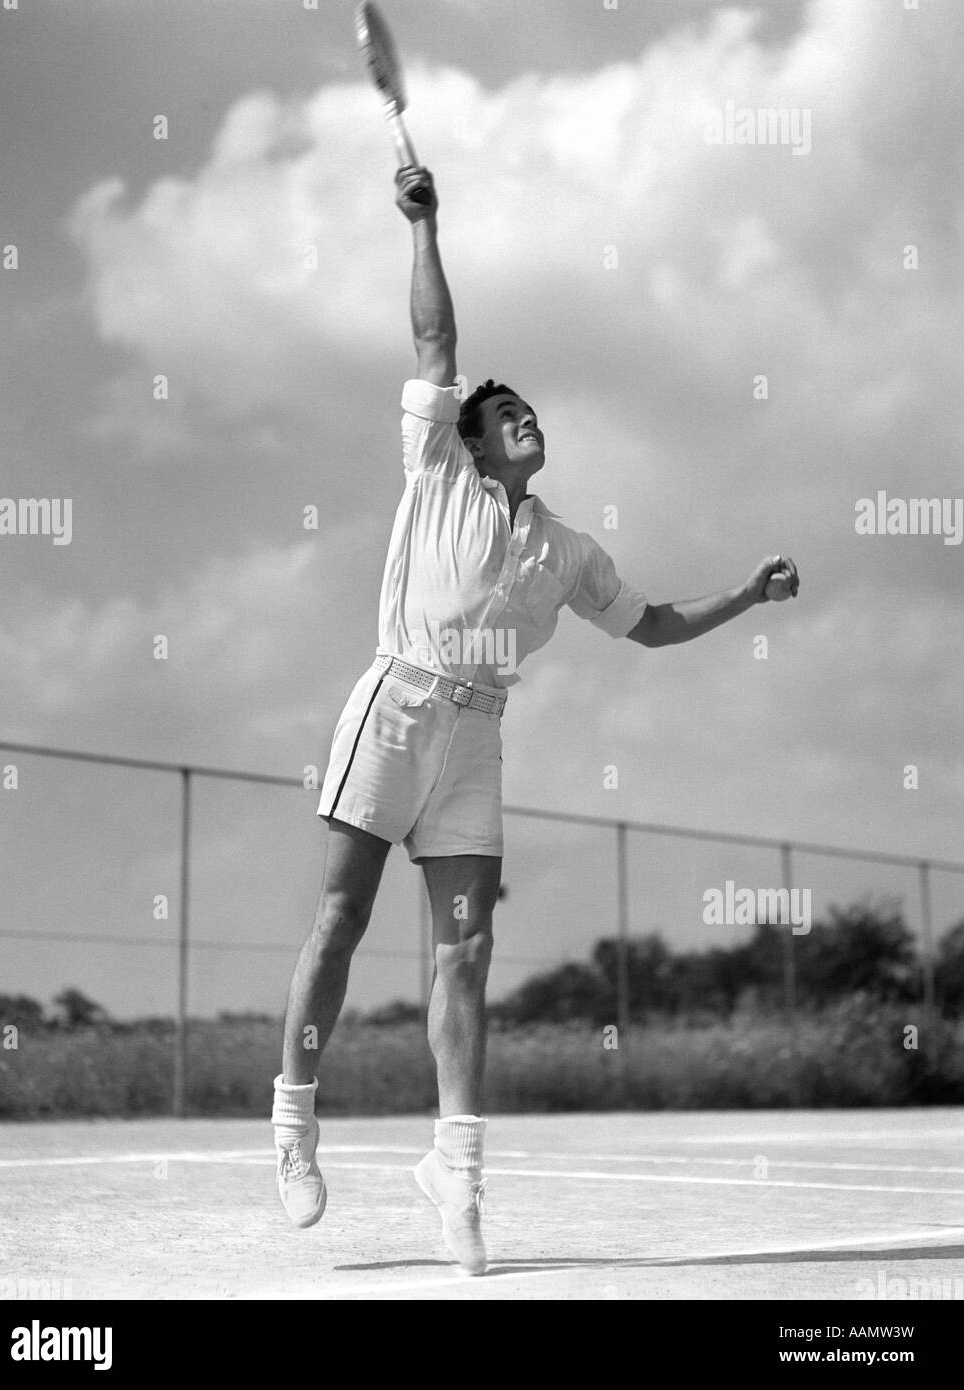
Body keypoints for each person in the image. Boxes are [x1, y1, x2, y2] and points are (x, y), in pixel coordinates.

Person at [271, 164, 800, 1277]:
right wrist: (424, 224)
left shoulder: (566, 548)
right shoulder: (437, 472)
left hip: (474, 740)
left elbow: (649, 623)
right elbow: (435, 343)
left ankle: (455, 1178)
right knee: (340, 922)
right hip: (396, 703)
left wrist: (744, 596)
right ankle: (294, 1117)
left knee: (468, 951)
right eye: (509, 414)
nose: (528, 419)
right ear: (469, 441)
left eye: (532, 411)